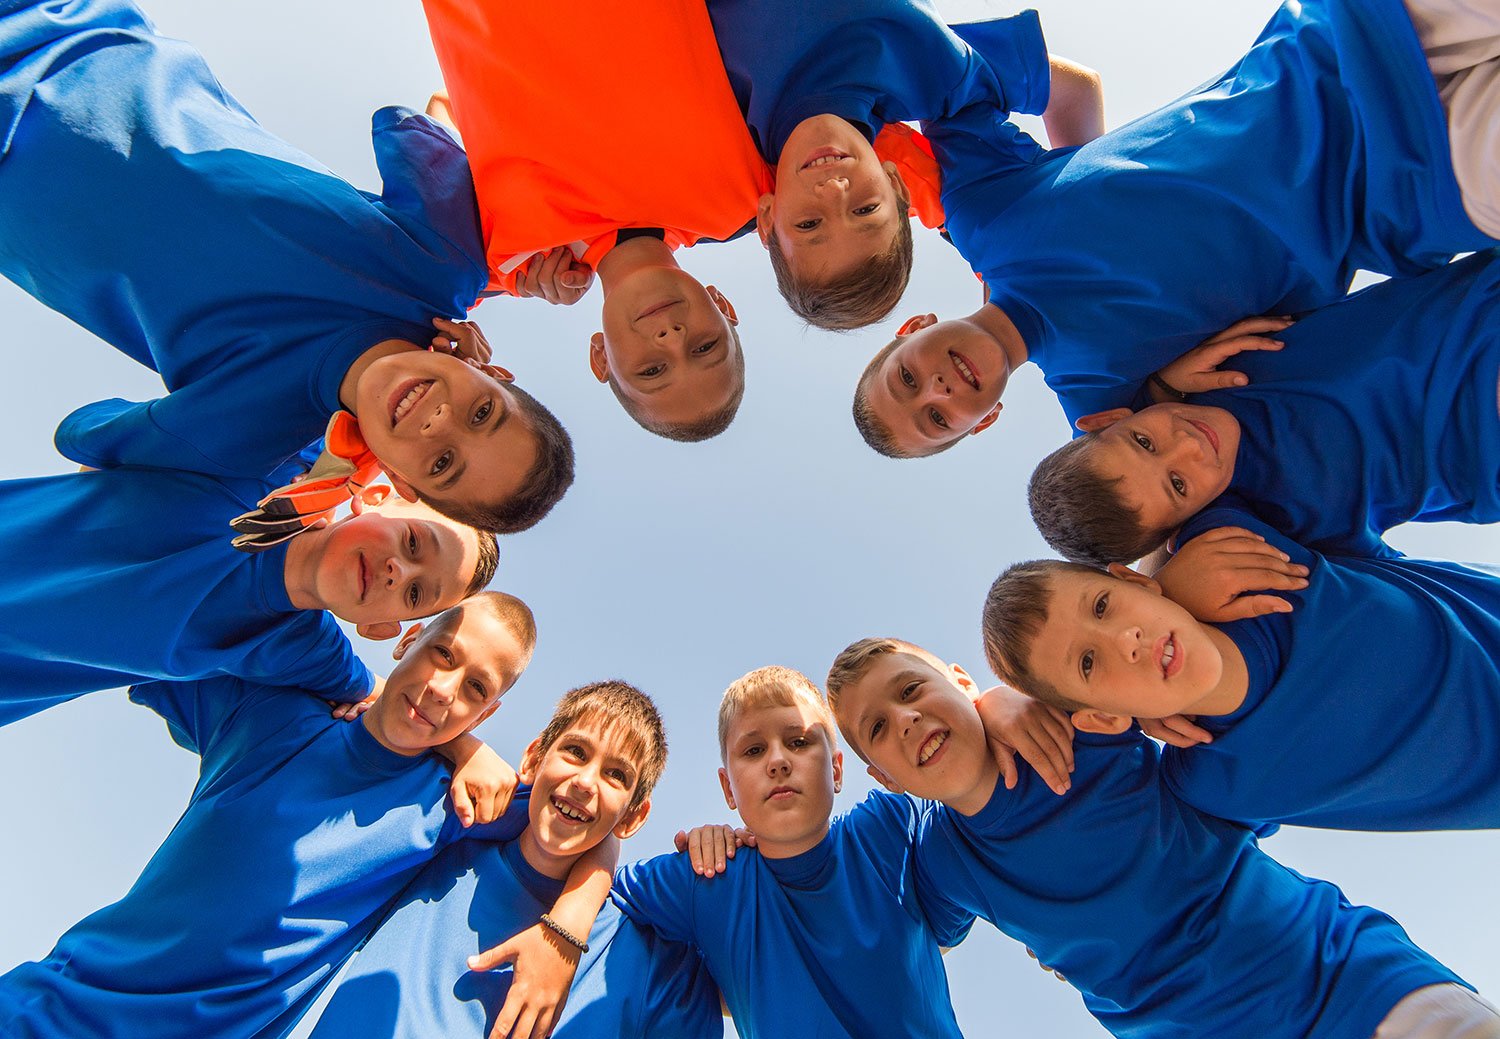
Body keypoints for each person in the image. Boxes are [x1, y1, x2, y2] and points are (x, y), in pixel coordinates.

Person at [0, 0, 572, 533]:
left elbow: (88, 434)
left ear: (397, 479)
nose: (438, 423)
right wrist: (507, 261)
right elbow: (419, 121)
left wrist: (313, 463)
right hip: (69, 30)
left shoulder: (247, 435)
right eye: (481, 412)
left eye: (443, 463)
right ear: (493, 374)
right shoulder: (440, 266)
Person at [853, 0, 1500, 457]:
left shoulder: (979, 205)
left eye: (906, 378)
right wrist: (1163, 387)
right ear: (983, 421)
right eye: (937, 418)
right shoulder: (1107, 410)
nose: (935, 389)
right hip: (1417, 188)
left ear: (915, 328)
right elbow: (1142, 521)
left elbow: (1067, 89)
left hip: (1341, 47)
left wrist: (1085, 173)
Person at [0, 593, 613, 1038]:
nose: (444, 689)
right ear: (407, 641)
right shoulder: (273, 713)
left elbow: (589, 826)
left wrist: (568, 927)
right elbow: (175, 615)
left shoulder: (457, 804)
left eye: (475, 690)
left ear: (485, 713)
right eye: (442, 655)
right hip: (51, 1007)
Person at [823, 636, 1500, 1039]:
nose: (906, 717)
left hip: (1337, 974)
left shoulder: (1074, 719)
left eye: (912, 688)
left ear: (964, 680)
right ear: (884, 776)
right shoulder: (942, 863)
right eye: (879, 727)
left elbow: (1144, 624)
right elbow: (879, 935)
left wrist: (1017, 692)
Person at [980, 505, 1500, 832]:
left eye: (1101, 606)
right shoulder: (1208, 786)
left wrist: (1168, 572)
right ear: (1102, 716)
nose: (1126, 639)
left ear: (1134, 583)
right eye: (1089, 663)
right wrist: (993, 706)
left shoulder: (1235, 547)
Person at [418, 0, 771, 441]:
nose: (671, 337)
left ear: (601, 357)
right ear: (722, 306)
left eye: (652, 369)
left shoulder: (510, 259)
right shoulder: (750, 194)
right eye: (705, 347)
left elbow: (422, 138)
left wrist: (464, 348)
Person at [1028, 249, 1500, 565]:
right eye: (1177, 484)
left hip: (1481, 305)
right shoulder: (1276, 523)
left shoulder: (1212, 354)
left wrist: (1160, 385)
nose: (1188, 446)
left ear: (1112, 417)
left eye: (1145, 441)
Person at [308, 680, 723, 1039]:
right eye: (576, 752)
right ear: (533, 758)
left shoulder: (656, 965)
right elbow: (369, 690)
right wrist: (464, 745)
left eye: (616, 775)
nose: (585, 782)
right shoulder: (444, 835)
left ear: (634, 816)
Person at [0, 452, 495, 728]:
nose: (398, 572)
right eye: (412, 543)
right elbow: (92, 436)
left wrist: (466, 746)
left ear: (380, 628)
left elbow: (388, 697)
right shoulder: (266, 466)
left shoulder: (298, 647)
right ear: (375, 495)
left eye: (414, 595)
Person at [609, 666, 962, 1038]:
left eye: (798, 742)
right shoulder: (708, 877)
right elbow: (602, 887)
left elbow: (972, 802)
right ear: (728, 788)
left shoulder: (889, 829)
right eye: (754, 750)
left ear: (836, 769)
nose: (778, 761)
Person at [705, 0, 1101, 329]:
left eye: (809, 224)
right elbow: (1076, 91)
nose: (833, 190)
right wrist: (1085, 216)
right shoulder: (935, 76)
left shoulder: (713, 119)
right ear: (895, 185)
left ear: (769, 217)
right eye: (865, 209)